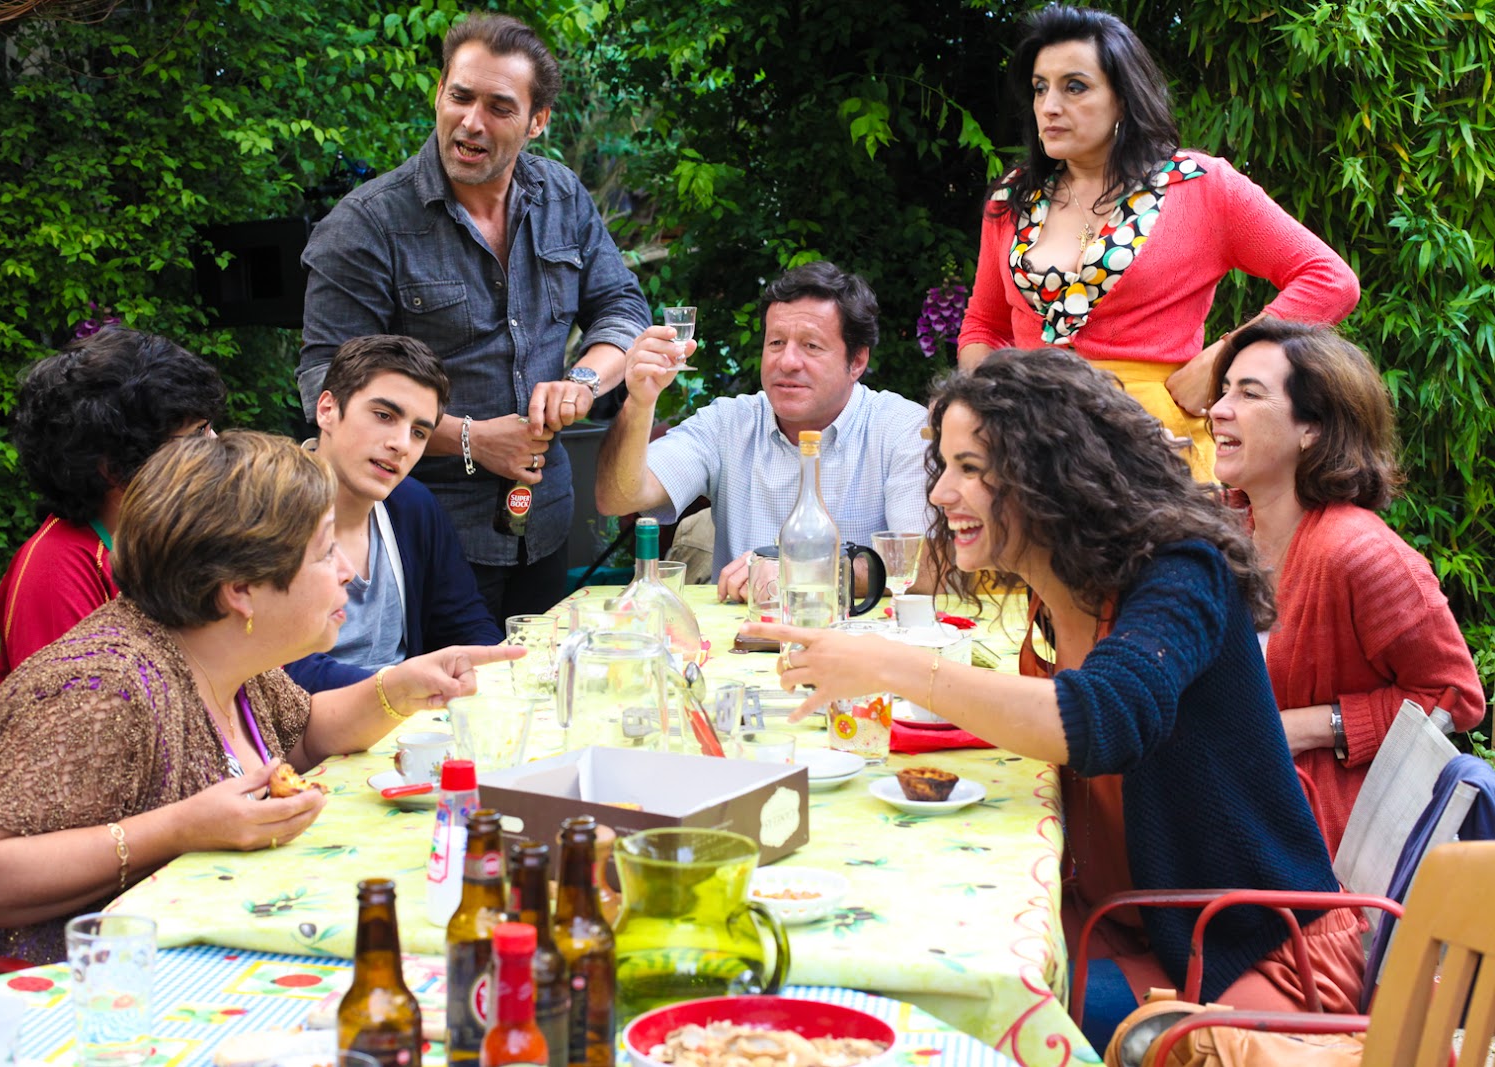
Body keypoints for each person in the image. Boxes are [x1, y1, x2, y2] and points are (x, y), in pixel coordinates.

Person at [744, 349, 1362, 1024]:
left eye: (970, 469)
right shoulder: (1062, 588)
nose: (941, 493)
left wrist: (887, 664)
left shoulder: (1183, 570)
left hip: (1245, 961)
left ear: (1053, 473)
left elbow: (1103, 719)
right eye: (945, 466)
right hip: (1127, 928)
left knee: (925, 1011)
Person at [0, 432, 519, 990]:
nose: (350, 573)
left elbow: (305, 736)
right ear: (240, 590)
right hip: (25, 1008)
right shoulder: (102, 688)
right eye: (327, 553)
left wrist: (401, 688)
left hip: (153, 975)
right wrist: (182, 827)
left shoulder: (220, 654)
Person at [299, 12, 651, 618]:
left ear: (537, 121)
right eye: (460, 97)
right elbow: (324, 390)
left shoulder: (562, 195)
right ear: (439, 93)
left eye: (499, 106)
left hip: (544, 519)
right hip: (423, 533)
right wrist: (472, 441)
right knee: (447, 704)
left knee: (537, 695)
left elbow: (622, 307)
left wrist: (583, 382)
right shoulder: (364, 227)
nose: (471, 122)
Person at [955, 5, 1358, 481]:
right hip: (1030, 448)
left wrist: (1226, 357)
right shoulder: (1012, 197)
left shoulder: (1201, 186)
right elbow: (984, 323)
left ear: (1123, 98)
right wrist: (982, 409)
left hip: (1153, 453)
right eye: (1040, 88)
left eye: (1075, 87)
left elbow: (1329, 280)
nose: (1049, 106)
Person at [1209, 319, 1484, 854]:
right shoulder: (1231, 530)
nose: (1218, 409)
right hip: (1237, 816)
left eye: (1249, 393)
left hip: (1317, 857)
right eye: (1223, 391)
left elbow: (1455, 696)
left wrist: (1301, 728)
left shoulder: (1360, 554)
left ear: (1312, 427)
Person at [595, 261, 931, 598]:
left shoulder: (901, 429)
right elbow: (618, 497)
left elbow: (926, 568)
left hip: (858, 640)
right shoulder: (729, 423)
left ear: (857, 361)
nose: (787, 361)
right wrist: (639, 402)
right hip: (737, 642)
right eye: (776, 343)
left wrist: (808, 573)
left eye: (811, 346)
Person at [0, 327, 225, 683]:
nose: (216, 445)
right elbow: (69, 723)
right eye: (196, 434)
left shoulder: (172, 537)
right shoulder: (54, 571)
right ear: (113, 465)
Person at [285, 334, 502, 694]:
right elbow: (277, 666)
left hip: (410, 721)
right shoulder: (269, 509)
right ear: (326, 410)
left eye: (418, 432)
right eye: (384, 416)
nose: (401, 444)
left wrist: (492, 667)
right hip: (299, 731)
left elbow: (466, 622)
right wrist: (405, 685)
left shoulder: (413, 506)